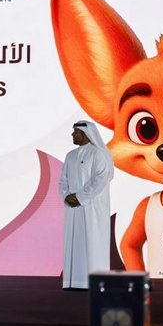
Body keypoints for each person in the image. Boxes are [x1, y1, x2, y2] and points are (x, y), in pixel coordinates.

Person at [59, 120, 114, 289]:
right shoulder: (70, 155)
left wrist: (80, 197)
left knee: (93, 241)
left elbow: (101, 179)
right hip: (73, 208)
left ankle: (95, 281)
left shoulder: (98, 154)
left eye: (76, 132)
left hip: (93, 208)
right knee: (74, 243)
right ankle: (74, 282)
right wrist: (66, 196)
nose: (72, 134)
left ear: (85, 134)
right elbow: (63, 180)